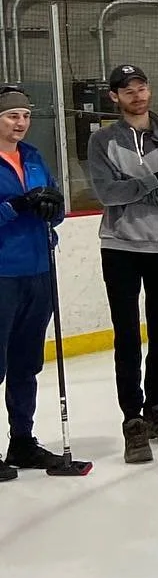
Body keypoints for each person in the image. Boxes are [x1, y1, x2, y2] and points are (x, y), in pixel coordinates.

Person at [85, 64, 158, 464]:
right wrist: (155, 181)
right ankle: (132, 420)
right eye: (128, 90)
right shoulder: (102, 140)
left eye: (142, 87)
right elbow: (106, 193)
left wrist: (137, 190)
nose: (138, 95)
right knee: (127, 335)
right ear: (114, 97)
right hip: (119, 246)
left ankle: (157, 409)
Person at [0, 87, 65, 479]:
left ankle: (22, 441)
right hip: (3, 274)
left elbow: (57, 210)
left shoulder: (34, 157)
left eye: (25, 115)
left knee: (26, 364)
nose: (20, 123)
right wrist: (16, 206)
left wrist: (50, 207)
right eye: (12, 116)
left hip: (39, 272)